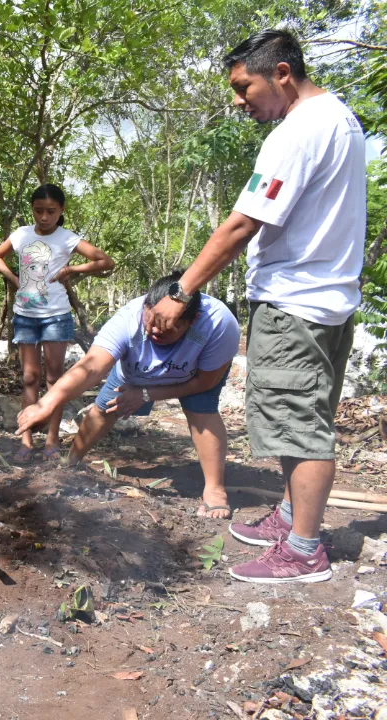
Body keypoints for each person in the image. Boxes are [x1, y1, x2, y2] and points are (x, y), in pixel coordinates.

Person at [148, 31, 366, 583]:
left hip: (296, 300)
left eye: (245, 87)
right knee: (300, 417)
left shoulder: (296, 133)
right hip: (327, 297)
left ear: (283, 73)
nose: (240, 100)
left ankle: (303, 550)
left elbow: (244, 222)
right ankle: (292, 516)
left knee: (299, 424)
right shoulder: (340, 118)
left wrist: (182, 291)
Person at [17, 272, 239, 518]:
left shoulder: (218, 324)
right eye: (151, 321)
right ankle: (71, 461)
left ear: (193, 320)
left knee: (201, 411)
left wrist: (146, 394)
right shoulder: (127, 320)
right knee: (105, 408)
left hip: (194, 373)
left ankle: (215, 489)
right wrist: (46, 403)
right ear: (146, 305)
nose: (156, 330)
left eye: (168, 328)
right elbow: (91, 366)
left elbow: (204, 382)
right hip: (134, 370)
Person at [0, 184, 114, 463]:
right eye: (38, 211)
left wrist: (72, 268)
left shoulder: (67, 238)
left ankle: (52, 440)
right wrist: (15, 279)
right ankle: (25, 440)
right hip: (25, 316)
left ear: (61, 211)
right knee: (29, 378)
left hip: (56, 317)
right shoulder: (21, 234)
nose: (44, 217)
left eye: (50, 211)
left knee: (55, 381)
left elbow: (105, 261)